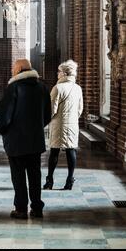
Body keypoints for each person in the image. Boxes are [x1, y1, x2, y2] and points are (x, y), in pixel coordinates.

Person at [0, 59, 52, 220]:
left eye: (14, 67)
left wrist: (1, 130)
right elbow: (47, 115)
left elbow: (4, 115)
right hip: (35, 140)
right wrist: (36, 128)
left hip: (16, 141)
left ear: (19, 69)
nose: (12, 70)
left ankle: (21, 209)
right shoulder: (42, 88)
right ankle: (37, 208)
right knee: (35, 176)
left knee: (18, 177)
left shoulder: (14, 87)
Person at [43, 60, 83, 191]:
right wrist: (72, 119)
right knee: (71, 150)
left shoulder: (58, 88)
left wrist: (45, 121)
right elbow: (80, 109)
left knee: (54, 151)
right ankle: (70, 180)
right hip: (72, 124)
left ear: (64, 73)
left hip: (59, 125)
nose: (57, 74)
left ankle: (49, 181)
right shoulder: (78, 88)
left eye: (59, 72)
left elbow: (51, 109)